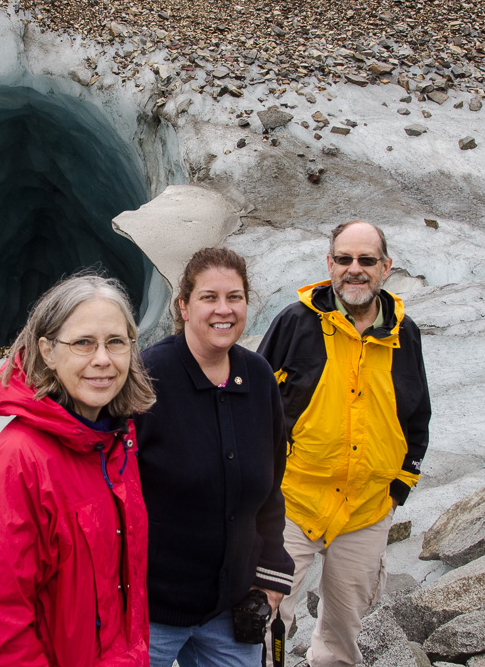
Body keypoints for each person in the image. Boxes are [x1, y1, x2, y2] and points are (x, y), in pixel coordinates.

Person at [0, 274, 157, 667]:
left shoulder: (114, 446)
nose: (102, 359)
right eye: (83, 343)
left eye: (116, 342)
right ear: (46, 350)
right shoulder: (19, 462)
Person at [257, 221, 431, 667]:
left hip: (366, 510)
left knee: (343, 632)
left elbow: (416, 413)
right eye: (345, 260)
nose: (355, 270)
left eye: (366, 261)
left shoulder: (403, 334)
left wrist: (398, 488)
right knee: (265, 617)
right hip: (293, 502)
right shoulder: (296, 324)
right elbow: (257, 403)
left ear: (386, 268)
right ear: (329, 265)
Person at [137, 247, 294, 667]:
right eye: (209, 297)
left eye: (234, 297)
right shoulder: (149, 378)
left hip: (231, 610)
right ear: (184, 307)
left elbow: (270, 487)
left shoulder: (258, 377)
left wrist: (272, 573)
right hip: (150, 614)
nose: (223, 310)